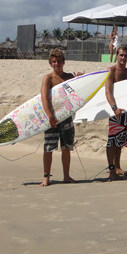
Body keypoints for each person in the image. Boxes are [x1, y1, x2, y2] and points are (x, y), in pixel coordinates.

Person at [40, 49, 83, 187]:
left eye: (59, 61)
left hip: (66, 117)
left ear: (63, 62)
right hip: (52, 118)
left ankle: (66, 176)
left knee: (66, 147)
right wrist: (50, 116)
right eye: (54, 62)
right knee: (48, 148)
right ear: (50, 63)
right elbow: (44, 98)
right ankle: (46, 177)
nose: (57, 64)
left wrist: (80, 79)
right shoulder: (48, 78)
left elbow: (78, 95)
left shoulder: (69, 77)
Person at [105, 46, 127, 180]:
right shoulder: (111, 71)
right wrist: (114, 108)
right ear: (116, 55)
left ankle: (117, 167)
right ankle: (111, 169)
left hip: (125, 110)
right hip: (114, 111)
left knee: (120, 140)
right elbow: (108, 92)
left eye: (126, 56)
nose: (123, 58)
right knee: (112, 141)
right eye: (121, 55)